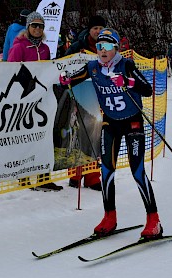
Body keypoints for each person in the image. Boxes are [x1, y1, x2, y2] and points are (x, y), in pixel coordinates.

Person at [59, 28, 163, 239]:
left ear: (116, 48)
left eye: (107, 46)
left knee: (137, 171)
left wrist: (127, 82)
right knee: (106, 171)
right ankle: (110, 217)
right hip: (110, 123)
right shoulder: (93, 67)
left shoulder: (126, 65)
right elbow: (73, 78)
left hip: (132, 123)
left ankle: (154, 220)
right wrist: (65, 79)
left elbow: (147, 89)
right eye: (99, 46)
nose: (102, 50)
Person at [7, 11, 63, 192]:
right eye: (34, 25)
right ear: (28, 27)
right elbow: (9, 73)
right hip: (23, 100)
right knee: (25, 137)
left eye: (41, 26)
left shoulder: (45, 49)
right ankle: (23, 177)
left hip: (42, 99)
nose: (38, 29)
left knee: (44, 137)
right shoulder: (19, 46)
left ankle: (43, 177)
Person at [63, 15, 106, 191]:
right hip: (79, 95)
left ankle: (93, 177)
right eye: (95, 28)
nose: (98, 31)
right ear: (89, 30)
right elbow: (63, 64)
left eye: (100, 28)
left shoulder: (106, 47)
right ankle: (75, 175)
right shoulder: (78, 46)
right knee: (77, 134)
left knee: (96, 134)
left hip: (98, 97)